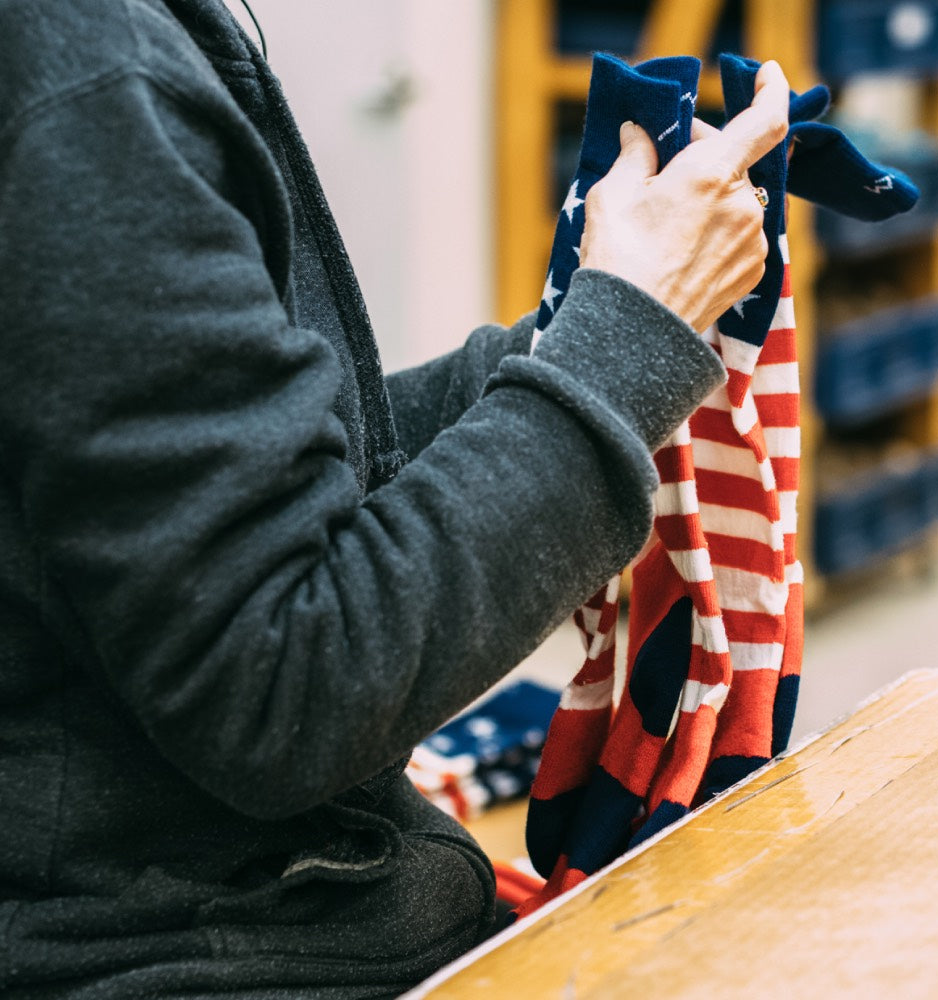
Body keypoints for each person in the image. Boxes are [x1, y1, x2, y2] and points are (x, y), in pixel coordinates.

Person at [0, 1, 789, 997]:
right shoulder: (82, 79)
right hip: (175, 951)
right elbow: (285, 688)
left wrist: (561, 353)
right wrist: (628, 340)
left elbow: (219, 489)